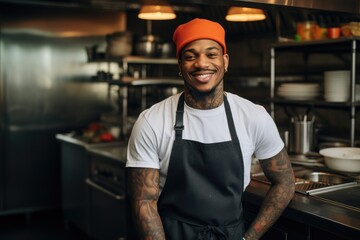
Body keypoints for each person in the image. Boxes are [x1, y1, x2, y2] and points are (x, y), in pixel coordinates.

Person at [126, 18, 295, 240]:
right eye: (190, 56)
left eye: (211, 54)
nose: (201, 63)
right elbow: (144, 201)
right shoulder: (152, 121)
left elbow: (285, 181)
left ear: (225, 61)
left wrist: (249, 238)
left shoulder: (253, 117)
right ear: (180, 65)